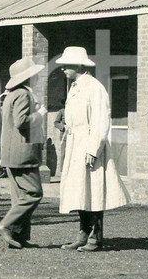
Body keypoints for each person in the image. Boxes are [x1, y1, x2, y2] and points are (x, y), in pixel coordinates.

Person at [56, 46, 130, 252]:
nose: (63, 70)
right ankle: (83, 233)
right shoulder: (74, 87)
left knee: (93, 190)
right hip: (75, 143)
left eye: (66, 66)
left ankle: (95, 237)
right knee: (79, 190)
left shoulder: (94, 87)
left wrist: (92, 149)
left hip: (89, 144)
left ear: (79, 65)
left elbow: (100, 121)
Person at [0, 57, 48, 249]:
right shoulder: (23, 95)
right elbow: (21, 122)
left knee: (20, 197)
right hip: (23, 153)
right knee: (33, 193)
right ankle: (6, 225)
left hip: (12, 154)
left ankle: (19, 237)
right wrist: (39, 115)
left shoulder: (11, 95)